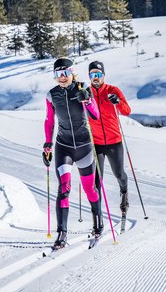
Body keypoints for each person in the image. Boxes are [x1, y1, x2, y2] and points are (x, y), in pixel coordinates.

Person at [43, 57, 103, 249]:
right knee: (64, 189)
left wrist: (87, 100)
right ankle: (62, 233)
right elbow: (49, 121)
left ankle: (98, 222)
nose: (62, 77)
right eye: (58, 74)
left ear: (71, 72)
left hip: (85, 146)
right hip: (64, 146)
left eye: (65, 73)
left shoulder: (82, 88)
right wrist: (47, 144)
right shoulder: (51, 95)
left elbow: (95, 115)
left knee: (89, 189)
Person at [87, 61, 132, 216]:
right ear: (89, 77)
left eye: (98, 74)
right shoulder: (86, 93)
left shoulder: (113, 90)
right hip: (96, 143)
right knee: (96, 181)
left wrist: (117, 102)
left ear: (103, 76)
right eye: (93, 75)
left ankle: (124, 192)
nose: (96, 78)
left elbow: (127, 111)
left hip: (114, 142)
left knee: (119, 174)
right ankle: (97, 215)